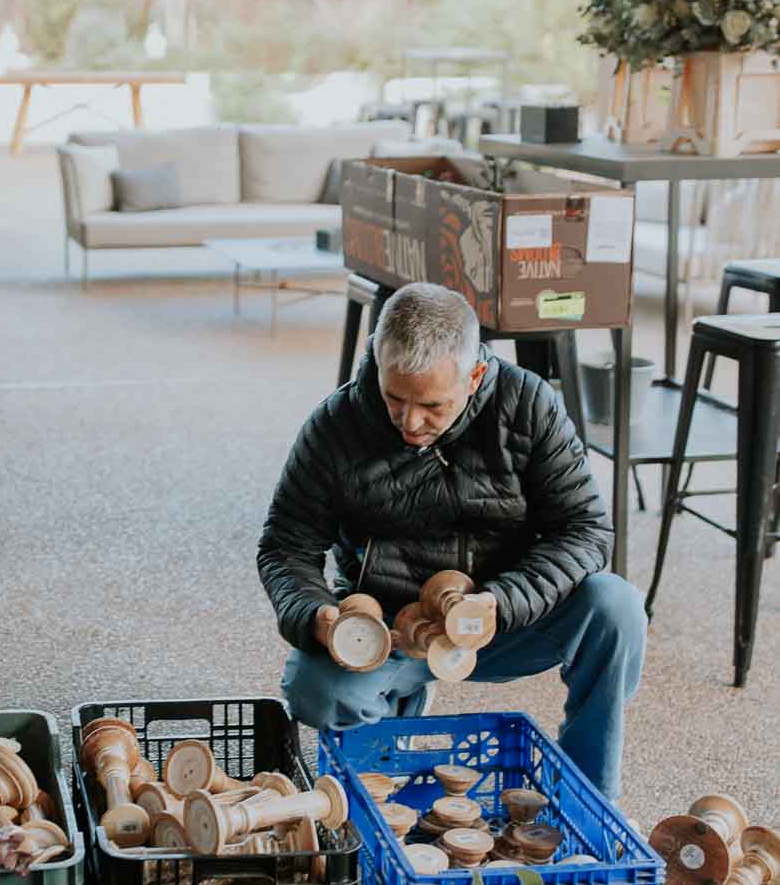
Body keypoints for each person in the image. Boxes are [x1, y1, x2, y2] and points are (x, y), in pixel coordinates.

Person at [257, 282, 646, 799]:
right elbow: (285, 546)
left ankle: (590, 793)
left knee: (616, 606)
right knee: (316, 691)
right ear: (377, 360)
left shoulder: (529, 406)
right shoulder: (337, 424)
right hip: (391, 633)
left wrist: (501, 601)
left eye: (432, 406)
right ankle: (395, 716)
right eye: (394, 399)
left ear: (475, 376)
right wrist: (316, 616)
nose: (410, 423)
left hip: (504, 616)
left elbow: (585, 529)